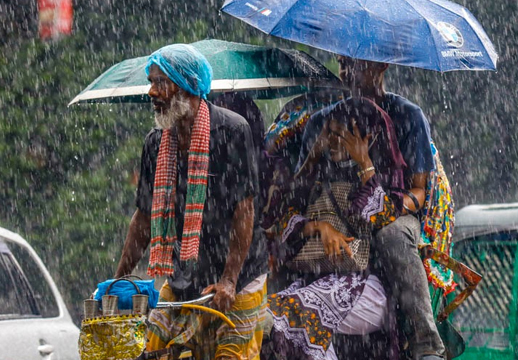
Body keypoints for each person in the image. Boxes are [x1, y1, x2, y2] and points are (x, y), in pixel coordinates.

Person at [114, 44, 268, 360]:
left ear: (186, 86)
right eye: (150, 81)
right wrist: (118, 280)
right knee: (148, 351)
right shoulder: (155, 143)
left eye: (160, 82)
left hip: (239, 277)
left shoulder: (232, 130)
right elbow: (144, 218)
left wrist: (228, 279)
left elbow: (244, 208)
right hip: (185, 277)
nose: (151, 92)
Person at [297, 56, 445, 360]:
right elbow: (296, 195)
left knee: (390, 234)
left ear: (382, 66)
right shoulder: (321, 120)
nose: (347, 72)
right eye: (342, 63)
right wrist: (315, 155)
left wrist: (380, 197)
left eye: (357, 64)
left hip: (395, 212)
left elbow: (419, 191)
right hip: (335, 212)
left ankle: (426, 344)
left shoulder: (408, 116)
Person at [263, 98, 407, 360]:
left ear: (367, 138)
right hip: (317, 281)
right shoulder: (320, 172)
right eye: (328, 132)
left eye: (339, 135)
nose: (330, 140)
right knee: (269, 316)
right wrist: (319, 227)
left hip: (366, 287)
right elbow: (284, 220)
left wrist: (364, 163)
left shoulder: (378, 178)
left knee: (295, 311)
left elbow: (386, 221)